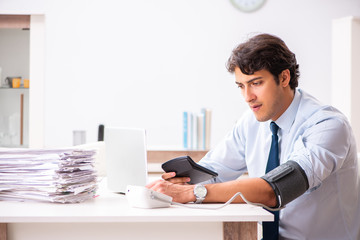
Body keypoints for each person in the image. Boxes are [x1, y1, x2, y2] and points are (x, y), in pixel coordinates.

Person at [146, 33, 360, 240]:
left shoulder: (328, 125)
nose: (248, 97)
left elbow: (275, 189)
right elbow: (212, 174)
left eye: (256, 83)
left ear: (284, 77)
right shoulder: (251, 122)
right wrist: (180, 184)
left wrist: (194, 192)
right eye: (241, 86)